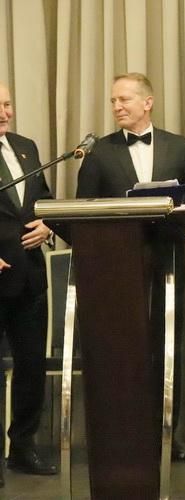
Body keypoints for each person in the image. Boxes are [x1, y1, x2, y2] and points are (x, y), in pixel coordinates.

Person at [76, 72, 185, 463]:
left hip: (168, 256)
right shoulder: (99, 152)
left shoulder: (178, 145)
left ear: (147, 102)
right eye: (113, 101)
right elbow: (83, 209)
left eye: (124, 99)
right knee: (122, 347)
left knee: (169, 345)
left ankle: (168, 437)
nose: (117, 107)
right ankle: (125, 440)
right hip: (116, 265)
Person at [0, 82, 58, 478]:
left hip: (30, 277)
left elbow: (44, 199)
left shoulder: (26, 147)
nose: (5, 113)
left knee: (31, 366)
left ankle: (23, 447)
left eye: (7, 104)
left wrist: (48, 224)